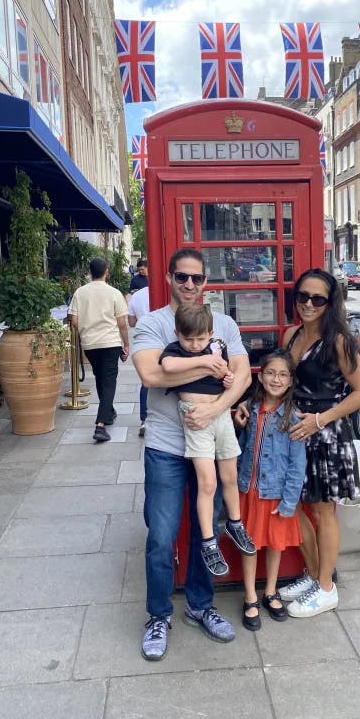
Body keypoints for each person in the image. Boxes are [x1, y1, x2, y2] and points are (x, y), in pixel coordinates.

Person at [132, 247, 252, 661]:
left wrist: (216, 407)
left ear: (206, 282)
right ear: (168, 277)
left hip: (212, 443)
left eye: (196, 278)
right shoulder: (153, 323)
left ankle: (201, 606)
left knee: (208, 531)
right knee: (161, 537)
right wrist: (211, 366)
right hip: (166, 444)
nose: (189, 284)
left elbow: (244, 374)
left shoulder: (224, 323)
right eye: (181, 276)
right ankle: (158, 614)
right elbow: (151, 373)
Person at [276, 268, 360, 616]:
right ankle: (315, 573)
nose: (308, 304)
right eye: (303, 296)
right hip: (293, 433)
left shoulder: (338, 342)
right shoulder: (291, 335)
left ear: (330, 304)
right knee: (295, 506)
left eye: (318, 299)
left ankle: (327, 588)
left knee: (323, 510)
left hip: (326, 433)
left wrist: (320, 419)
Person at [159, 302, 255, 577]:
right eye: (187, 338)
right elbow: (167, 366)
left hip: (221, 414)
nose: (193, 344)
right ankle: (209, 541)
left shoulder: (217, 348)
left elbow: (232, 375)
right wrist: (203, 360)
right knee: (207, 482)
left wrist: (226, 378)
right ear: (177, 333)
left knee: (229, 476)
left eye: (200, 339)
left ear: (210, 333)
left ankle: (235, 524)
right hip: (195, 417)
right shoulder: (177, 350)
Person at [237, 350, 306, 631]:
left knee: (275, 544)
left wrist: (290, 501)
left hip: (276, 494)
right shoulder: (250, 409)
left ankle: (270, 590)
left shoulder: (293, 417)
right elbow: (241, 448)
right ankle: (250, 595)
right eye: (270, 373)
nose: (275, 379)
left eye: (282, 374)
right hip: (249, 490)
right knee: (249, 543)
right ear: (260, 375)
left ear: (290, 381)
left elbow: (297, 464)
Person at [68, 257, 130, 443]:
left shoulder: (80, 292)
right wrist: (126, 344)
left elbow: (74, 320)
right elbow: (121, 324)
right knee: (109, 381)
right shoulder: (114, 293)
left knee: (101, 379)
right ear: (106, 272)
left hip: (90, 344)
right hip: (110, 342)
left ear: (90, 272)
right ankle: (100, 425)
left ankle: (108, 411)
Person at [128, 285, 150, 436]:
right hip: (166, 339)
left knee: (146, 381)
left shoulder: (137, 296)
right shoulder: (173, 291)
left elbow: (131, 322)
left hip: (144, 341)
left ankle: (144, 419)